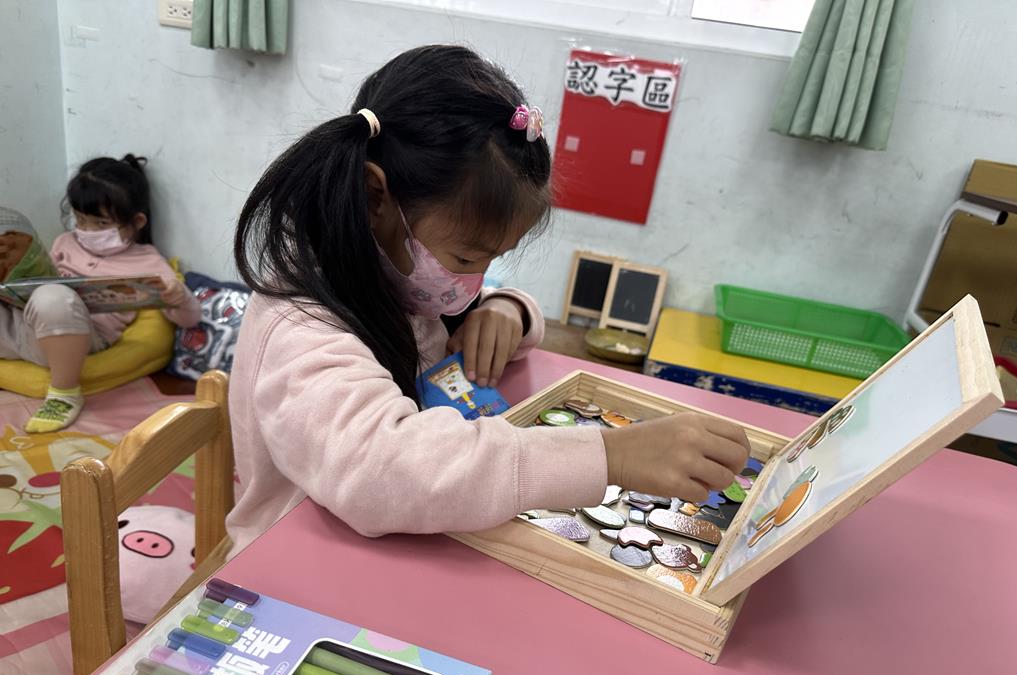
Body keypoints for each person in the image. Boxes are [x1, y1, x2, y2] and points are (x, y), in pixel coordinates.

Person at [227, 45, 750, 554]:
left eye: (490, 261)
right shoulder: (298, 326)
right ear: (373, 198)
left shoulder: (392, 268)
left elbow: (475, 306)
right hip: (289, 557)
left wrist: (508, 311)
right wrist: (609, 455)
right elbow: (379, 472)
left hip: (395, 544)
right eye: (464, 258)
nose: (472, 284)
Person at [7, 156, 201, 432]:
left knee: (54, 298)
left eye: (100, 224)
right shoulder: (65, 242)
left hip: (82, 340)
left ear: (137, 221)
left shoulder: (149, 262)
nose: (87, 231)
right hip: (25, 330)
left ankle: (64, 394)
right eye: (80, 220)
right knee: (47, 293)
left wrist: (179, 298)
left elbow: (190, 319)